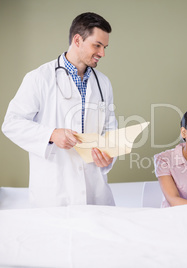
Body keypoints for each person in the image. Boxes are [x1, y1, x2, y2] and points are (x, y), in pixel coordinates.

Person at [2, 12, 118, 207]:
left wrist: (108, 155)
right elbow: (11, 123)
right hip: (55, 190)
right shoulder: (39, 78)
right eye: (97, 45)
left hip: (95, 190)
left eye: (104, 47)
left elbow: (110, 128)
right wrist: (52, 134)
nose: (102, 53)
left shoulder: (103, 83)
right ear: (77, 40)